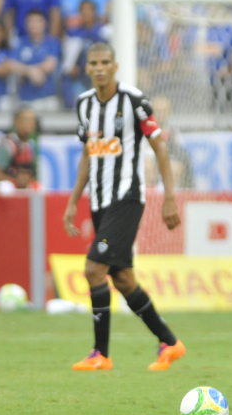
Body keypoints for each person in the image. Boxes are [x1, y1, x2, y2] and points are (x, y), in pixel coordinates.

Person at [63, 42, 185, 372]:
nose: (100, 68)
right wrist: (74, 201)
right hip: (99, 201)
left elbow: (159, 147)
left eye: (105, 62)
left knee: (93, 270)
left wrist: (169, 196)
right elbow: (88, 155)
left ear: (115, 66)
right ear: (86, 68)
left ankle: (100, 354)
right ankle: (170, 344)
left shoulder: (133, 101)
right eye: (94, 63)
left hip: (127, 198)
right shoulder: (84, 105)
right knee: (124, 280)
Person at [0, 107, 40, 209]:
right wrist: (15, 180)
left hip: (20, 187)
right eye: (25, 120)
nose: (29, 123)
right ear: (17, 122)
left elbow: (31, 174)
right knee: (7, 187)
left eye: (32, 120)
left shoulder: (30, 146)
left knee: (39, 189)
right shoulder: (8, 145)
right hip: (7, 186)